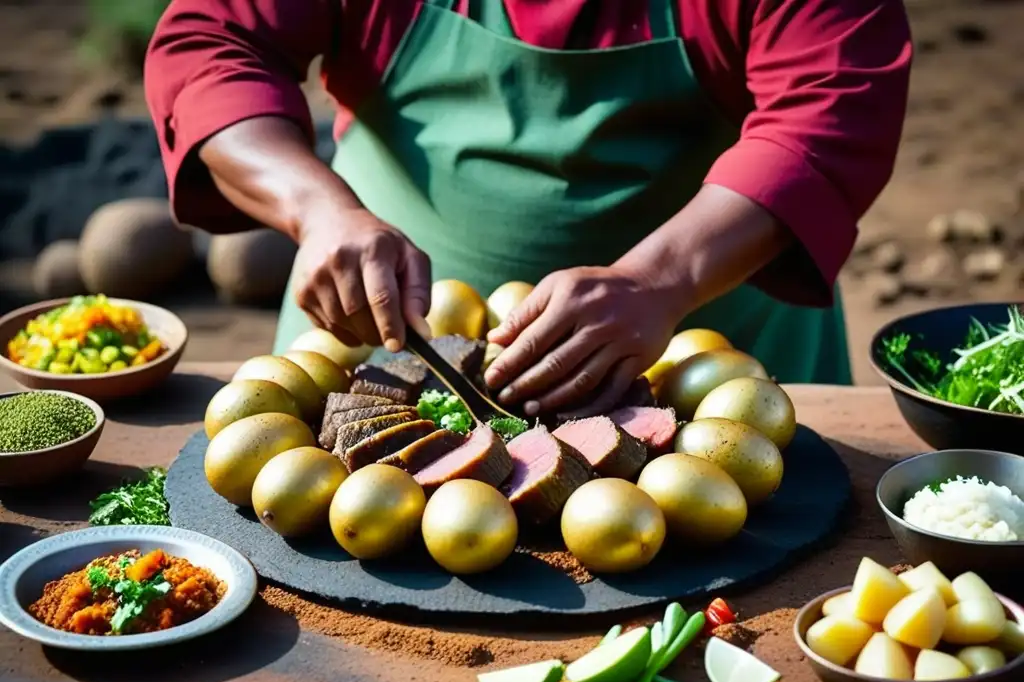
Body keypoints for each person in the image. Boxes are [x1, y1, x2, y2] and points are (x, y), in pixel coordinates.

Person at [145, 0, 912, 418]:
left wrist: (661, 281)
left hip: (709, 346)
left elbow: (833, 104)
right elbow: (213, 40)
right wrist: (317, 212)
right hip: (374, 343)